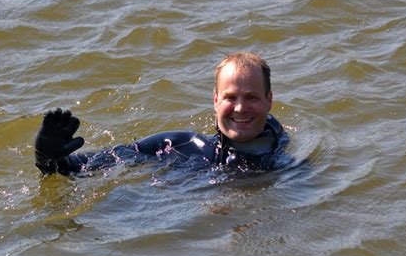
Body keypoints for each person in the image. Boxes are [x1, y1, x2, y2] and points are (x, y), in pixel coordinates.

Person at [34, 52, 287, 175]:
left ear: (269, 101)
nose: (241, 108)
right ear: (215, 101)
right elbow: (89, 166)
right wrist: (49, 159)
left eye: (251, 97)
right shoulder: (180, 146)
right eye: (230, 98)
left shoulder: (282, 150)